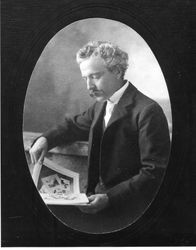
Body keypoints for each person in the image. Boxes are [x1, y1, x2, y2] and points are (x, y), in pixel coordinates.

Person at [30, 41, 170, 220]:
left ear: (118, 72)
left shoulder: (148, 111)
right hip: (95, 203)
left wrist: (109, 198)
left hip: (129, 211)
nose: (88, 85)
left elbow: (154, 172)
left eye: (95, 76)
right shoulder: (100, 106)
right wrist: (45, 139)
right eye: (85, 78)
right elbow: (73, 126)